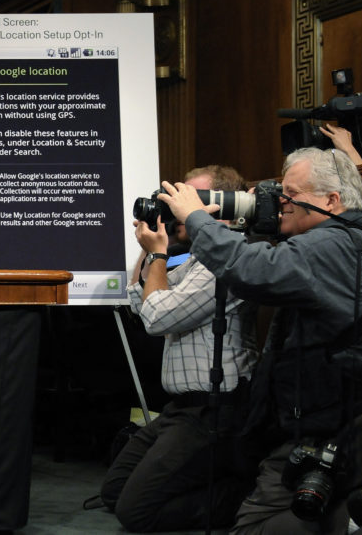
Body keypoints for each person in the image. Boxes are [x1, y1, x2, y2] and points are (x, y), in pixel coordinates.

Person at [158, 147, 362, 533]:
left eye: (292, 193)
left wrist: (195, 218)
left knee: (257, 525)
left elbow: (254, 269)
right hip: (348, 410)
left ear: (332, 200)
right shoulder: (361, 241)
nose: (281, 201)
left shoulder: (332, 243)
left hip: (346, 417)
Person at [100, 166, 259, 532]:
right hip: (180, 410)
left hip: (213, 409)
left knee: (135, 513)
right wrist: (154, 242)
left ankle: (246, 495)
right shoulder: (194, 261)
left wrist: (157, 256)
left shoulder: (230, 260)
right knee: (114, 492)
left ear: (224, 207)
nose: (178, 207)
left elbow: (158, 319)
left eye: (191, 199)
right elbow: (140, 302)